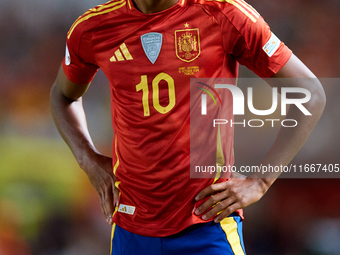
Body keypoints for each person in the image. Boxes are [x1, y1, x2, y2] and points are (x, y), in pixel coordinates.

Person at [50, 0, 326, 254]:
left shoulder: (224, 13)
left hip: (207, 225)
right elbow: (62, 96)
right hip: (130, 228)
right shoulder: (93, 28)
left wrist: (261, 181)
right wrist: (87, 159)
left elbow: (310, 93)